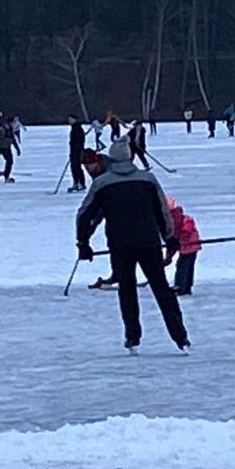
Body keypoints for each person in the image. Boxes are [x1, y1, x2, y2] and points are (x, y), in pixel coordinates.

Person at [76, 139, 190, 353]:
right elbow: (162, 211)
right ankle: (180, 335)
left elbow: (84, 215)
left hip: (120, 245)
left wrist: (83, 243)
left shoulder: (102, 183)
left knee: (127, 290)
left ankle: (132, 337)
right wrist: (169, 237)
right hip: (149, 242)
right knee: (161, 288)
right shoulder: (148, 179)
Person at [165, 195, 202, 296]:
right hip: (187, 246)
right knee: (186, 266)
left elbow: (184, 232)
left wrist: (180, 239)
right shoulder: (177, 218)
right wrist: (168, 257)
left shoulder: (177, 219)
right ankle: (186, 287)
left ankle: (180, 287)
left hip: (190, 245)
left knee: (183, 266)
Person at [68, 115, 87, 191]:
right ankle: (76, 182)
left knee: (77, 167)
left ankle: (81, 183)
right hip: (73, 151)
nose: (69, 121)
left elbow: (79, 140)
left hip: (77, 151)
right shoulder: (73, 128)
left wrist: (78, 149)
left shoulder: (78, 128)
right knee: (74, 167)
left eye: (70, 119)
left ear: (75, 119)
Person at [0, 115, 17, 182]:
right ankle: (6, 176)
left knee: (9, 161)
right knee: (9, 161)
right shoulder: (3, 129)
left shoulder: (10, 128)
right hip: (4, 147)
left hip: (8, 147)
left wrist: (17, 148)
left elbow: (13, 139)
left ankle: (6, 174)